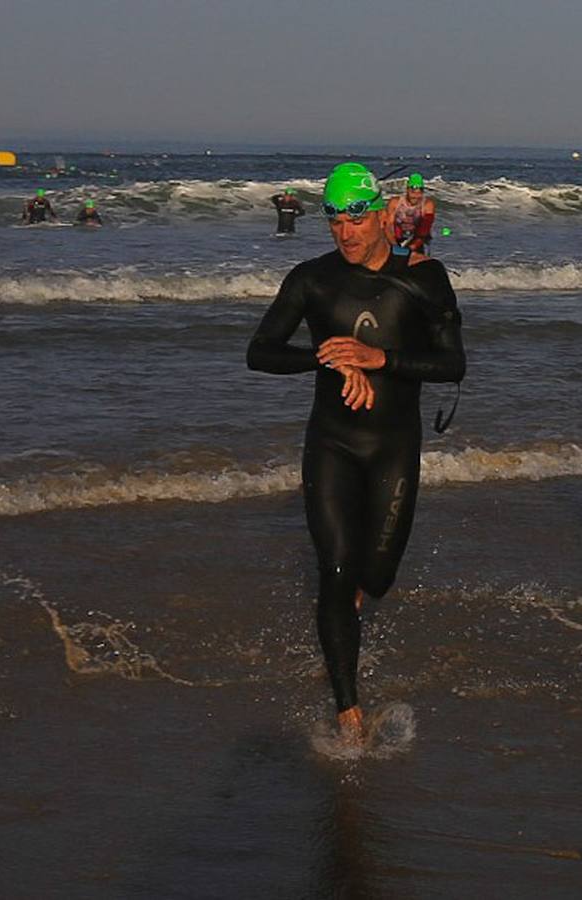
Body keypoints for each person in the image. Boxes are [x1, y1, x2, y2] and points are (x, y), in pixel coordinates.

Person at [246, 162, 466, 743]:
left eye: (355, 219)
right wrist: (327, 357)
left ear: (381, 215)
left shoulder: (424, 278)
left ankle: (358, 599)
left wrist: (378, 360)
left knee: (379, 574)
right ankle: (348, 711)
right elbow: (260, 351)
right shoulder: (311, 280)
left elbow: (452, 366)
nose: (345, 233)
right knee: (336, 570)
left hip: (394, 445)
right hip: (332, 443)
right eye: (334, 220)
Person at [386, 173, 436, 255]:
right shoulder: (395, 202)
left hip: (417, 239)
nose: (416, 196)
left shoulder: (427, 205)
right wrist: (394, 245)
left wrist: (410, 248)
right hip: (395, 239)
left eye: (419, 192)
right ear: (407, 190)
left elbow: (424, 230)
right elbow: (388, 226)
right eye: (413, 192)